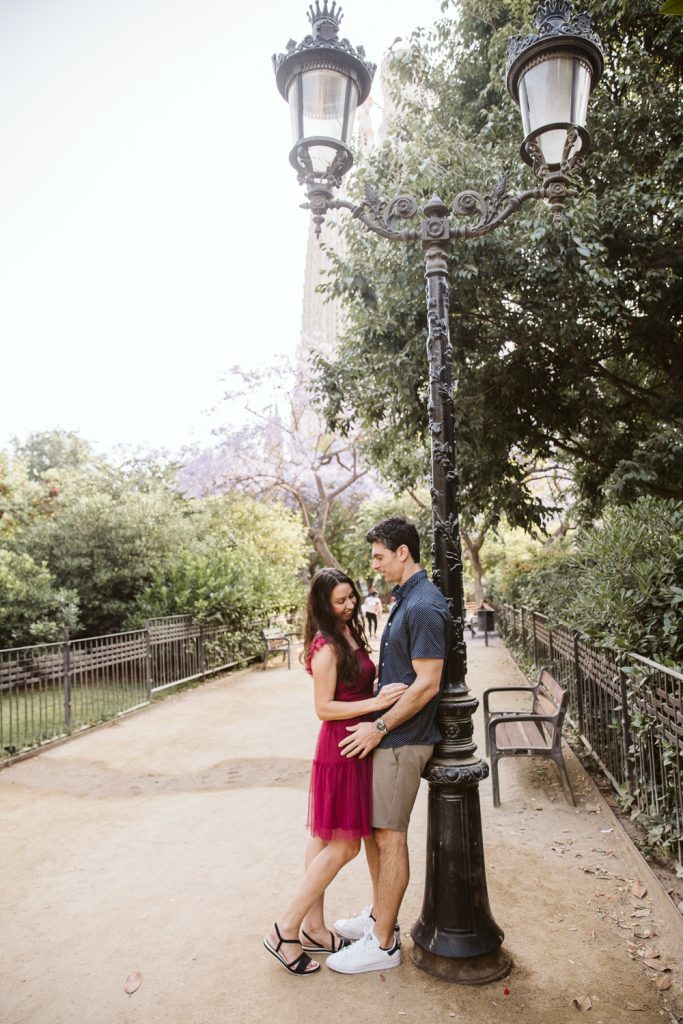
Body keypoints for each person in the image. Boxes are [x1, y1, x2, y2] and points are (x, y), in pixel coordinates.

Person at [262, 567, 407, 977]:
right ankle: (285, 929)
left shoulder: (347, 632)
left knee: (322, 839)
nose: (349, 605)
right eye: (339, 601)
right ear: (323, 605)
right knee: (345, 847)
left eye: (351, 597)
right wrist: (376, 704)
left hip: (355, 744)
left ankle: (314, 928)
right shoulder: (325, 645)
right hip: (341, 748)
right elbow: (323, 708)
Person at [325, 517, 450, 975]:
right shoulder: (407, 598)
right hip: (392, 736)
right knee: (377, 833)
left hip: (404, 739)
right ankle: (381, 916)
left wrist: (378, 727)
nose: (374, 565)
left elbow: (428, 684)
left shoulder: (424, 605)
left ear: (403, 552)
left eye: (379, 556)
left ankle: (382, 944)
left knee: (389, 837)